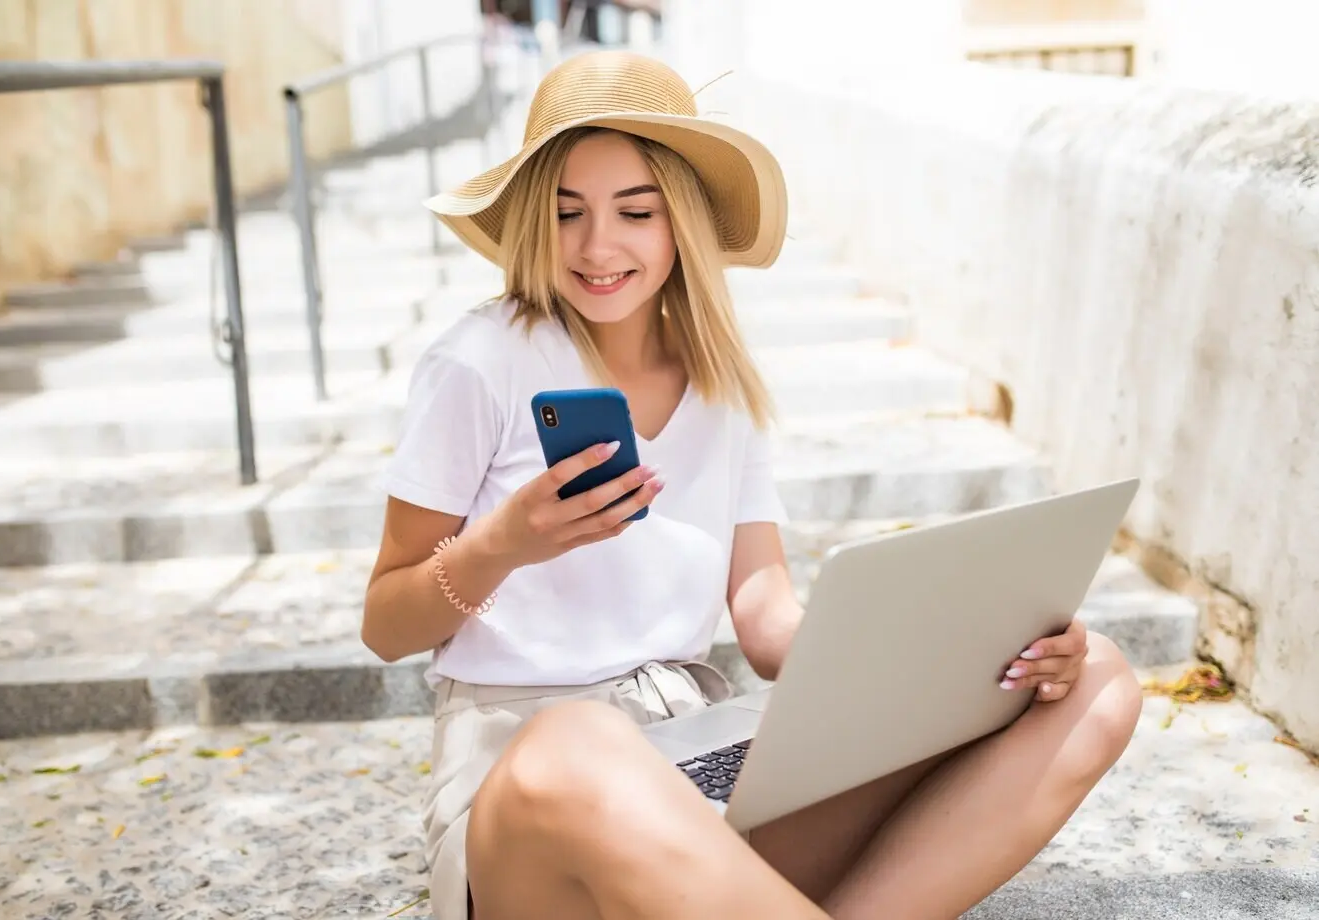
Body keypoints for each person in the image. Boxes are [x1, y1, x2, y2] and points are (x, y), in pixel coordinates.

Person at [362, 50, 1143, 920]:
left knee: (1095, 681)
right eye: (565, 211)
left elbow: (766, 618)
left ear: (681, 223)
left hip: (694, 761)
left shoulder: (719, 383)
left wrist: (960, 655)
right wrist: (502, 545)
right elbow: (386, 622)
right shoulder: (481, 362)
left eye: (635, 211)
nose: (597, 245)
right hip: (527, 799)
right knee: (577, 744)